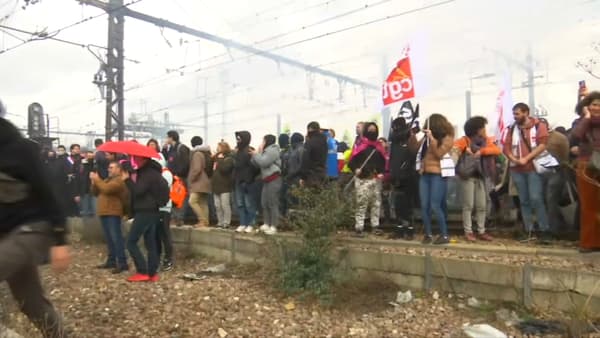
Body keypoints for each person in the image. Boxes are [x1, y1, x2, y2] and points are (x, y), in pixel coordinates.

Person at [0, 103, 71, 338]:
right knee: (30, 302)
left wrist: (60, 238)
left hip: (33, 229)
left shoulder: (19, 149)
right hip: (8, 235)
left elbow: (49, 192)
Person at [502, 103, 552, 243]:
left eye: (517, 113)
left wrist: (526, 158)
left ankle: (544, 229)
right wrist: (514, 159)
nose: (515, 116)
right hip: (517, 169)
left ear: (526, 113)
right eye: (514, 114)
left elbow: (543, 144)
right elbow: (506, 148)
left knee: (536, 198)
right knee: (523, 200)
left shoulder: (538, 126)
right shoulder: (512, 129)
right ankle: (529, 229)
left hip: (533, 168)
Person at [454, 116, 500, 242]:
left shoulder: (486, 141)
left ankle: (481, 230)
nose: (485, 130)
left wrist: (482, 151)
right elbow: (454, 150)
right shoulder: (464, 140)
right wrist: (463, 150)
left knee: (482, 205)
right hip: (467, 176)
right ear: (477, 129)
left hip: (481, 175)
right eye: (483, 127)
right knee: (468, 205)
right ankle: (468, 231)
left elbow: (497, 150)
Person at [124, 156, 167, 282]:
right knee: (150, 243)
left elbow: (138, 191)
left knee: (131, 242)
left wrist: (127, 180)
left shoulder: (147, 174)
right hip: (153, 210)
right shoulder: (154, 173)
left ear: (144, 160)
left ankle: (142, 271)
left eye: (136, 159)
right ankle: (152, 273)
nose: (135, 161)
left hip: (145, 211)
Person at [417, 114, 455, 245]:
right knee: (424, 205)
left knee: (435, 205)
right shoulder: (426, 139)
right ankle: (428, 234)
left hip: (438, 175)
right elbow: (415, 149)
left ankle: (444, 234)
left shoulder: (448, 138)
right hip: (425, 174)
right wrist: (415, 134)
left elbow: (439, 153)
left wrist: (432, 138)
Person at [572, 91, 600, 252]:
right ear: (587, 106)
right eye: (594, 104)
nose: (597, 107)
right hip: (586, 165)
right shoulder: (582, 122)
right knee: (588, 205)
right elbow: (576, 135)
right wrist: (587, 118)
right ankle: (589, 243)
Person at [348, 123, 387, 236]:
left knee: (376, 204)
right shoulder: (360, 146)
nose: (372, 132)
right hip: (362, 180)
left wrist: (381, 173)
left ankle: (375, 226)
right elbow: (351, 161)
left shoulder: (378, 147)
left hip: (375, 180)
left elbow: (383, 162)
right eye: (369, 130)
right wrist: (355, 169)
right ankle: (359, 228)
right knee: (361, 204)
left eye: (374, 130)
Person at [90, 161, 129, 274]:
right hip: (104, 212)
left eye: (111, 167)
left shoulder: (118, 181)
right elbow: (95, 192)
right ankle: (111, 260)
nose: (109, 169)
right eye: (108, 167)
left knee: (116, 238)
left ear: (118, 169)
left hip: (113, 212)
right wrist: (93, 182)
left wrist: (97, 180)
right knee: (109, 239)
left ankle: (122, 263)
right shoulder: (107, 180)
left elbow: (106, 189)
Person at [389, 116, 419, 230]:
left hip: (408, 176)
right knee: (398, 204)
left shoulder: (410, 138)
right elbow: (392, 159)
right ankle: (400, 228)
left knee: (408, 204)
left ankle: (409, 228)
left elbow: (414, 154)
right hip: (397, 177)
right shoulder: (395, 141)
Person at [252, 135, 282, 235]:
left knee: (272, 203)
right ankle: (266, 223)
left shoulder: (273, 150)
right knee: (264, 202)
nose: (262, 142)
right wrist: (258, 153)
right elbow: (256, 164)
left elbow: (264, 162)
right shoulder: (265, 151)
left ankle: (274, 226)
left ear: (267, 141)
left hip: (274, 179)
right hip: (266, 180)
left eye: (263, 140)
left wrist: (257, 154)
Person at [234, 131, 261, 233]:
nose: (238, 140)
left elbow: (257, 167)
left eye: (239, 138)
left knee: (249, 204)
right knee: (240, 204)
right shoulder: (238, 152)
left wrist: (250, 177)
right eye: (237, 138)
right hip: (238, 181)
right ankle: (243, 223)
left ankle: (251, 224)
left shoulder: (249, 151)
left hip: (248, 182)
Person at [164, 130, 191, 226]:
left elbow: (185, 163)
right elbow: (168, 159)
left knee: (181, 198)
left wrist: (178, 174)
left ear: (171, 137)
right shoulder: (171, 149)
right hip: (172, 178)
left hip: (180, 178)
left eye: (167, 137)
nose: (166, 139)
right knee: (173, 197)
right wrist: (164, 149)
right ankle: (174, 217)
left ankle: (179, 218)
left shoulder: (181, 148)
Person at [155, 157, 174, 271]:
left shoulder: (166, 174)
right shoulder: (159, 174)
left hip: (164, 207)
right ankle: (157, 258)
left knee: (164, 234)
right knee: (157, 235)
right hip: (156, 207)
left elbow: (162, 189)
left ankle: (168, 259)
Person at [188, 136, 212, 228]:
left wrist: (191, 178)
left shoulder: (197, 154)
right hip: (205, 181)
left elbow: (197, 169)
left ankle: (202, 220)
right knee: (203, 203)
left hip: (198, 182)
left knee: (192, 201)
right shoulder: (205, 153)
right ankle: (206, 222)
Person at [212, 141, 235, 229]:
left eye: (219, 147)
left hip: (225, 186)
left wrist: (220, 160)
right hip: (216, 185)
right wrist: (213, 158)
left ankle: (226, 222)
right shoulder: (216, 158)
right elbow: (212, 168)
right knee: (217, 205)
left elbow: (225, 169)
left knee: (225, 205)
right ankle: (220, 221)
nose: (217, 149)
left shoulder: (229, 158)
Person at [299, 121, 328, 188]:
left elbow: (305, 160)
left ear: (310, 129)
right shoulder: (324, 141)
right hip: (322, 173)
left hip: (311, 176)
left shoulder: (309, 142)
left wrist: (303, 177)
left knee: (309, 196)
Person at [80, 150, 97, 217]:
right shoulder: (81, 164)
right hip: (84, 188)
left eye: (91, 156)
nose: (90, 158)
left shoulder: (96, 164)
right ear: (85, 156)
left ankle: (96, 223)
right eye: (88, 156)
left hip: (94, 188)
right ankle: (86, 224)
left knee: (95, 208)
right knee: (85, 208)